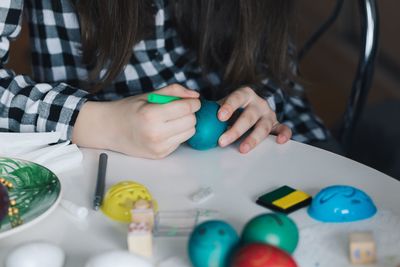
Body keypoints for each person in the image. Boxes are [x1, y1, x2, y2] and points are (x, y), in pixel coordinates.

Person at [0, 0, 331, 159]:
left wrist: (261, 101)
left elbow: (273, 58)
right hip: (98, 158)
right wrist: (98, 121)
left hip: (269, 143)